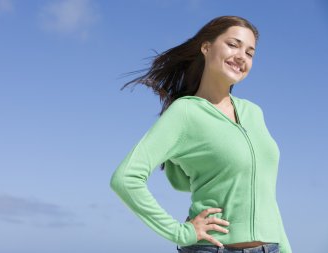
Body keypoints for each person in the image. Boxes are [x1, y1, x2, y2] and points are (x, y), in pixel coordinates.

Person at [109, 15, 292, 253]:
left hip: (271, 248)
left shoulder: (254, 112)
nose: (241, 56)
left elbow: (266, 195)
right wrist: (180, 232)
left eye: (249, 53)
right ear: (206, 47)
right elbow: (125, 179)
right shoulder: (185, 112)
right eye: (233, 44)